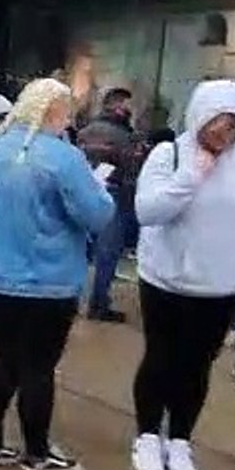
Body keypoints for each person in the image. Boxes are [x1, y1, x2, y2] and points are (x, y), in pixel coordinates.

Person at [130, 80, 235, 470]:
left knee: (197, 366)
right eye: (217, 122)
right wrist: (191, 177)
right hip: (165, 279)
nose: (223, 133)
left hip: (222, 285)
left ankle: (180, 440)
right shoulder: (170, 153)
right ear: (200, 116)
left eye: (233, 125)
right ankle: (147, 435)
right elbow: (147, 210)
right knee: (160, 358)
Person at [0, 77, 114, 470]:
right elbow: (97, 214)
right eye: (67, 112)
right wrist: (101, 191)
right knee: (38, 367)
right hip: (47, 280)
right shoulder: (62, 157)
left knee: (2, 358)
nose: (68, 120)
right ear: (54, 112)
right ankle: (37, 451)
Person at [79, 87, 137, 323]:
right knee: (107, 252)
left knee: (86, 249)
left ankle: (80, 298)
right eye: (128, 104)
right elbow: (130, 167)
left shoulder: (86, 131)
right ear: (119, 106)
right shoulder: (125, 135)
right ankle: (98, 302)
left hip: (87, 191)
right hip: (115, 195)